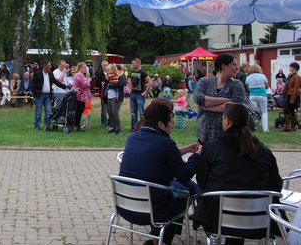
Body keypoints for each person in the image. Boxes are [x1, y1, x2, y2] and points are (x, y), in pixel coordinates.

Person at [193, 103, 282, 244]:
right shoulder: (264, 151)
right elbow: (276, 185)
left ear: (227, 121)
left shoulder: (212, 147)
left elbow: (202, 181)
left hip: (217, 219)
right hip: (259, 220)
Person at [119, 99, 201, 245]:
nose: (172, 126)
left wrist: (187, 149)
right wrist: (196, 157)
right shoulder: (166, 143)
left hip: (125, 205)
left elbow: (159, 154)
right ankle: (162, 240)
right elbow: (184, 175)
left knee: (173, 192)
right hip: (152, 210)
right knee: (183, 196)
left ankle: (156, 239)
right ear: (161, 124)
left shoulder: (132, 138)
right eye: (170, 122)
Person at [194, 54, 246, 143]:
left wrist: (208, 107)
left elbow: (236, 106)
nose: (237, 68)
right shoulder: (205, 82)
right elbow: (199, 99)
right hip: (205, 133)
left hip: (228, 136)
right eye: (233, 64)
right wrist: (227, 100)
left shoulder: (236, 84)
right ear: (223, 66)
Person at [32, 60, 68, 130]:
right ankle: (37, 125)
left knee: (48, 111)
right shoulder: (37, 74)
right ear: (45, 66)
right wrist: (35, 93)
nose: (50, 67)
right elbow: (33, 85)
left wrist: (65, 86)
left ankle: (46, 125)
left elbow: (56, 82)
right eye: (49, 65)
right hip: (40, 95)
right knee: (38, 111)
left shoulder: (50, 74)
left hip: (48, 95)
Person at [128, 58, 152, 131]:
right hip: (133, 94)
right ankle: (134, 127)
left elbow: (150, 82)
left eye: (134, 63)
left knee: (141, 113)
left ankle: (143, 127)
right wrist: (130, 89)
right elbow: (129, 80)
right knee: (133, 112)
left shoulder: (143, 72)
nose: (132, 64)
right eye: (132, 63)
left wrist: (145, 92)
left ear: (138, 63)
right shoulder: (132, 72)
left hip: (140, 95)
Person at [245, 64, 270, 133]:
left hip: (252, 95)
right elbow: (267, 87)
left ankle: (253, 126)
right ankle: (265, 129)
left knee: (253, 112)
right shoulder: (263, 76)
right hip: (262, 95)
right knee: (264, 112)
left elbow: (247, 88)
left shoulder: (248, 77)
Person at [105, 63, 127, 135]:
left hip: (117, 97)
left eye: (109, 70)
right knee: (110, 112)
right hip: (110, 96)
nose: (108, 71)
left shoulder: (120, 77)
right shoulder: (111, 76)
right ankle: (114, 128)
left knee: (115, 112)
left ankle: (118, 129)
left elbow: (120, 84)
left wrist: (110, 85)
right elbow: (107, 82)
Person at [282, 62, 301, 132]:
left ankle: (289, 126)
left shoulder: (297, 77)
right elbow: (288, 86)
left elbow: (296, 88)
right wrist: (283, 93)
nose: (290, 68)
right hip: (289, 94)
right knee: (289, 110)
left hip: (293, 95)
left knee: (288, 110)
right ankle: (291, 127)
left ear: (295, 68)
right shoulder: (290, 76)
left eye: (291, 67)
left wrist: (293, 99)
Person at [73, 62, 90, 131]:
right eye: (84, 67)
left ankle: (76, 125)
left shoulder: (76, 74)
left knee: (78, 111)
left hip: (77, 94)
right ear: (80, 68)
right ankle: (77, 126)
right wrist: (89, 80)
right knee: (79, 111)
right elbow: (85, 84)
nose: (85, 69)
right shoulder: (80, 75)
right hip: (80, 96)